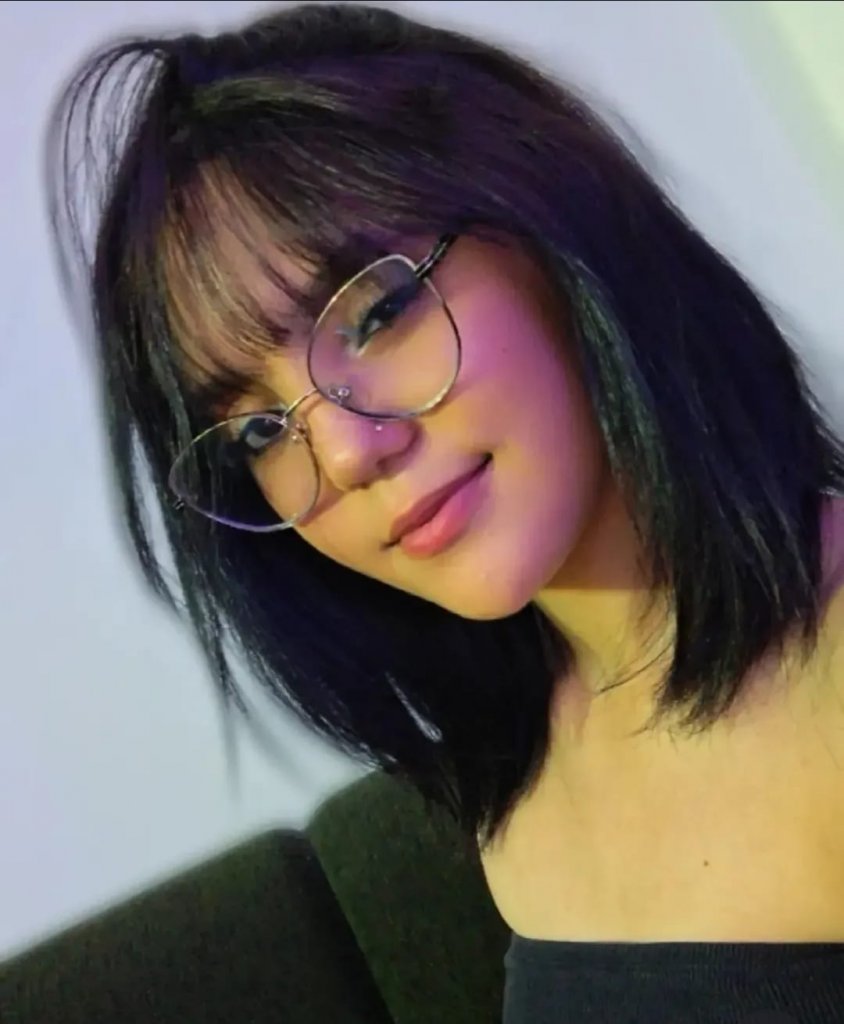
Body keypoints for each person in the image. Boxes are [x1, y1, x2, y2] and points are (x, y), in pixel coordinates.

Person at [47, 3, 844, 1021]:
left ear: (553, 224)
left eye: (376, 314)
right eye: (258, 432)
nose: (345, 451)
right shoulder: (518, 772)